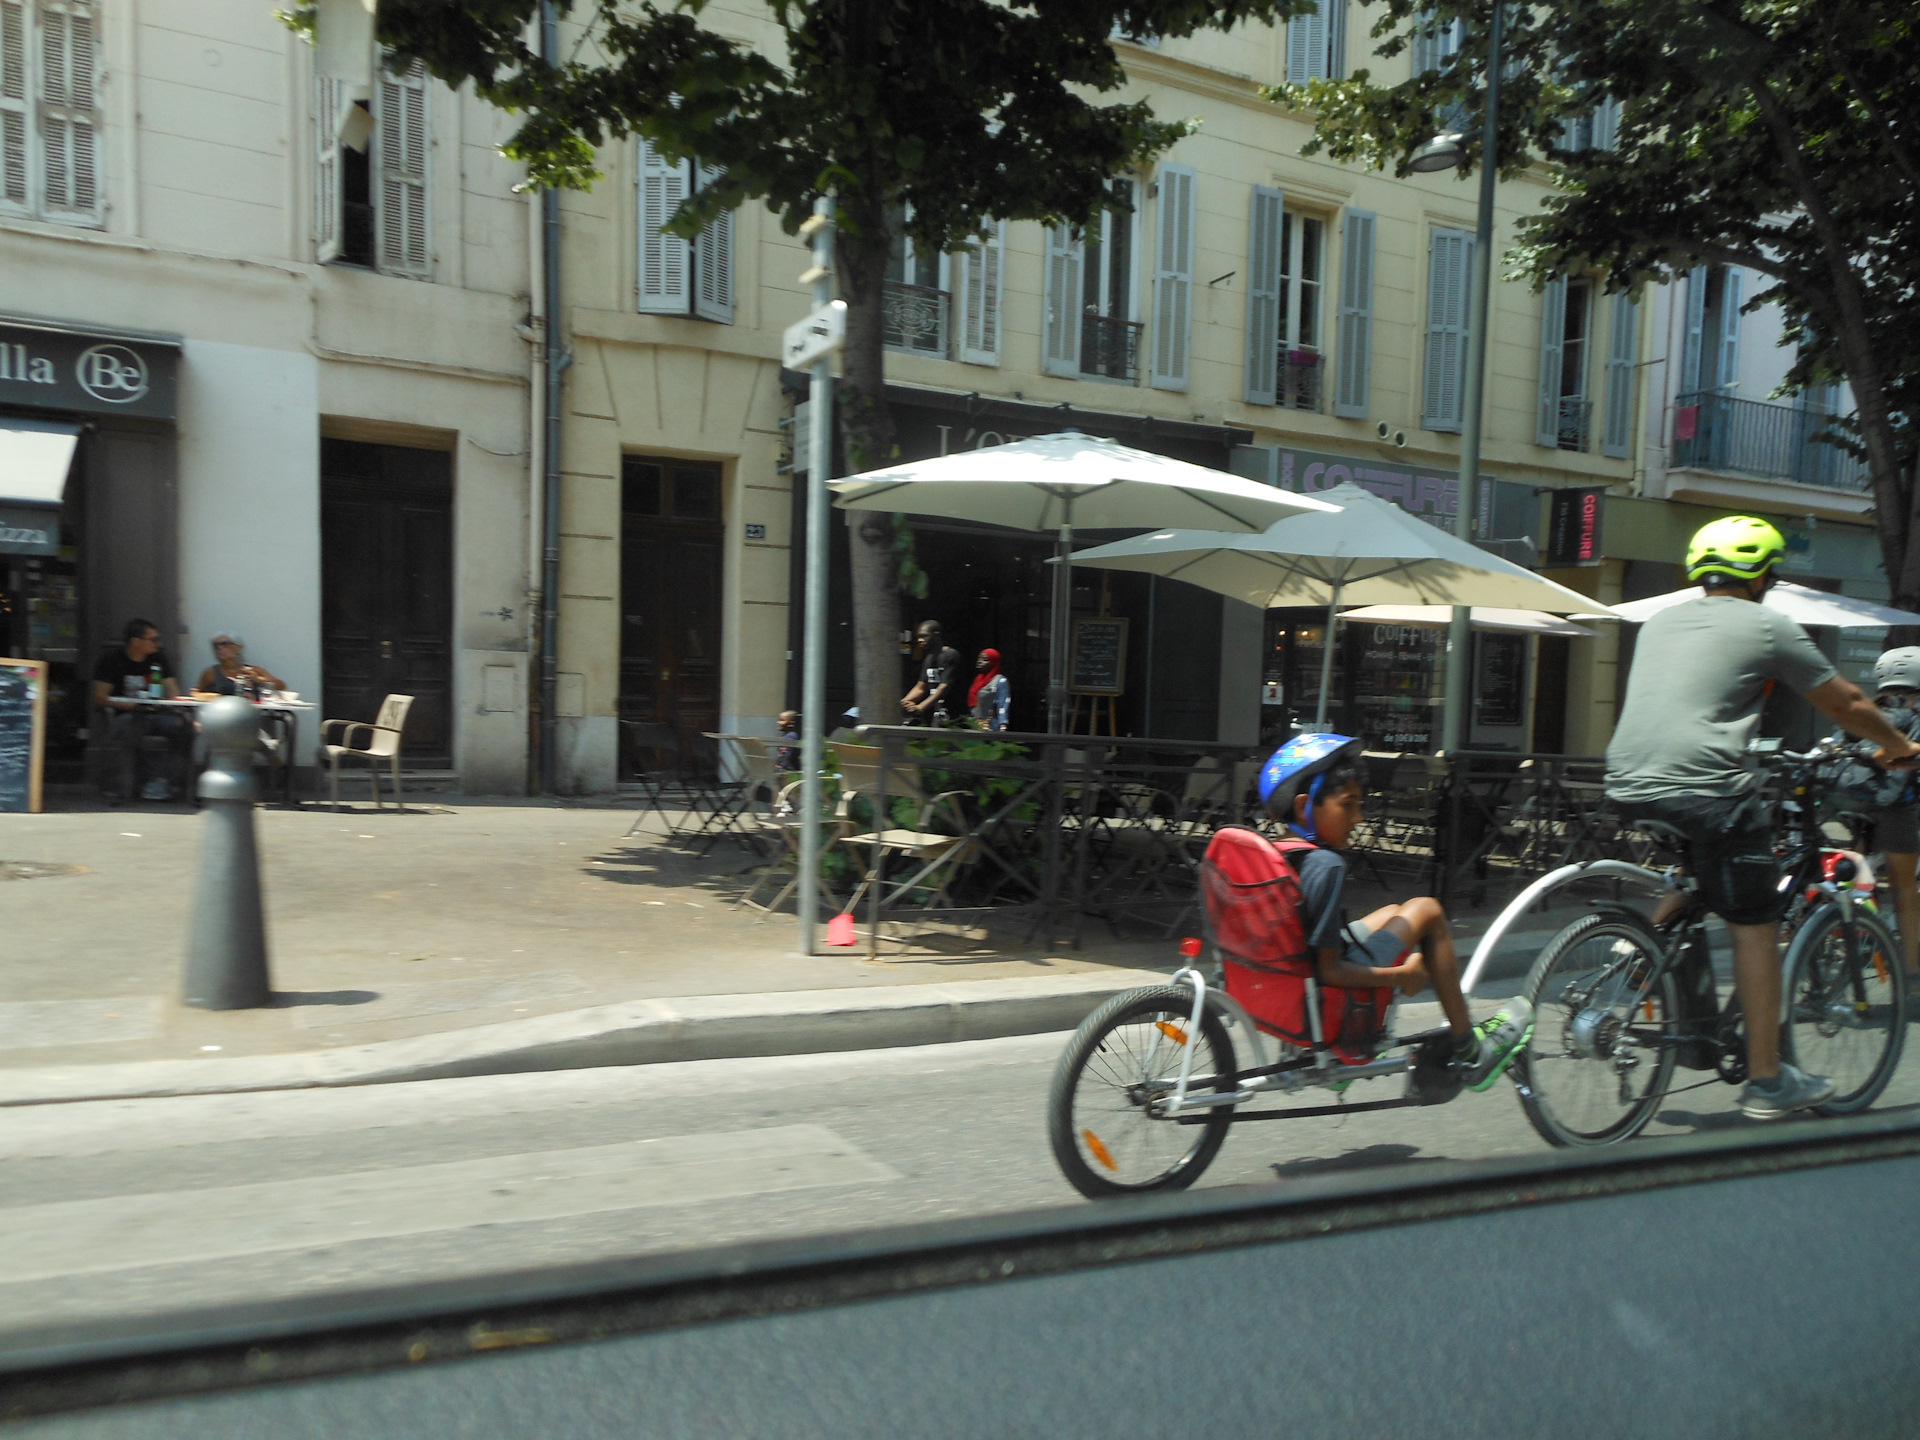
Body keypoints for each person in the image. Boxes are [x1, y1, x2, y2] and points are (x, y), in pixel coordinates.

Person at [1606, 516, 1920, 1119]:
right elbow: (1847, 703)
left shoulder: (1661, 622)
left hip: (1625, 781)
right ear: (1763, 577)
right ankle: (1769, 1082)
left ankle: (1633, 958)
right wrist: (1897, 746)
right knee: (1755, 922)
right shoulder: (1767, 624)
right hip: (1706, 788)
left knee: (1701, 876)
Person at [1259, 732, 1534, 1090]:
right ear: (1303, 806)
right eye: (1348, 804)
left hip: (1291, 985)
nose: (1358, 819)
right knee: (1428, 910)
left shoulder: (1280, 853)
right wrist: (1402, 975)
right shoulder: (1325, 866)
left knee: (1393, 911)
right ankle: (1471, 1051)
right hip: (1325, 992)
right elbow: (1329, 971)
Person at [1864, 647, 1920, 985]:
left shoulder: (1869, 711)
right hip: (1899, 808)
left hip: (1857, 804)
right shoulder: (1913, 713)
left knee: (1854, 879)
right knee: (1904, 889)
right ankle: (1912, 974)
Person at [90, 617, 189, 802]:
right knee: (132, 728)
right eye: (153, 639)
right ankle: (136, 784)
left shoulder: (158, 658)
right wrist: (133, 706)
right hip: (125, 715)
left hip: (155, 713)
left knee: (183, 729)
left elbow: (173, 689)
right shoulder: (111, 659)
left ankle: (162, 781)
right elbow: (101, 696)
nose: (158, 644)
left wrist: (180, 708)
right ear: (136, 641)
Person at [900, 619, 961, 726]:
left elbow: (943, 687)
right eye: (918, 637)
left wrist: (921, 706)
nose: (920, 640)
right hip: (934, 714)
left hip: (951, 715)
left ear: (936, 634)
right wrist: (905, 701)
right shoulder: (929, 659)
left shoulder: (950, 655)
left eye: (924, 636)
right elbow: (920, 687)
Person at [194, 632, 285, 697]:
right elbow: (198, 694)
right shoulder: (211, 673)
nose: (219, 648)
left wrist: (258, 679)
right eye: (216, 645)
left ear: (238, 647)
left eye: (224, 644)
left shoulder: (253, 670)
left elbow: (281, 686)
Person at [969, 648, 1010, 732]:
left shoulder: (1000, 681)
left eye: (984, 660)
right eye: (979, 659)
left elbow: (1003, 704)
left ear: (992, 663)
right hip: (976, 724)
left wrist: (1002, 727)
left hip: (990, 726)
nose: (979, 661)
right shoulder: (978, 680)